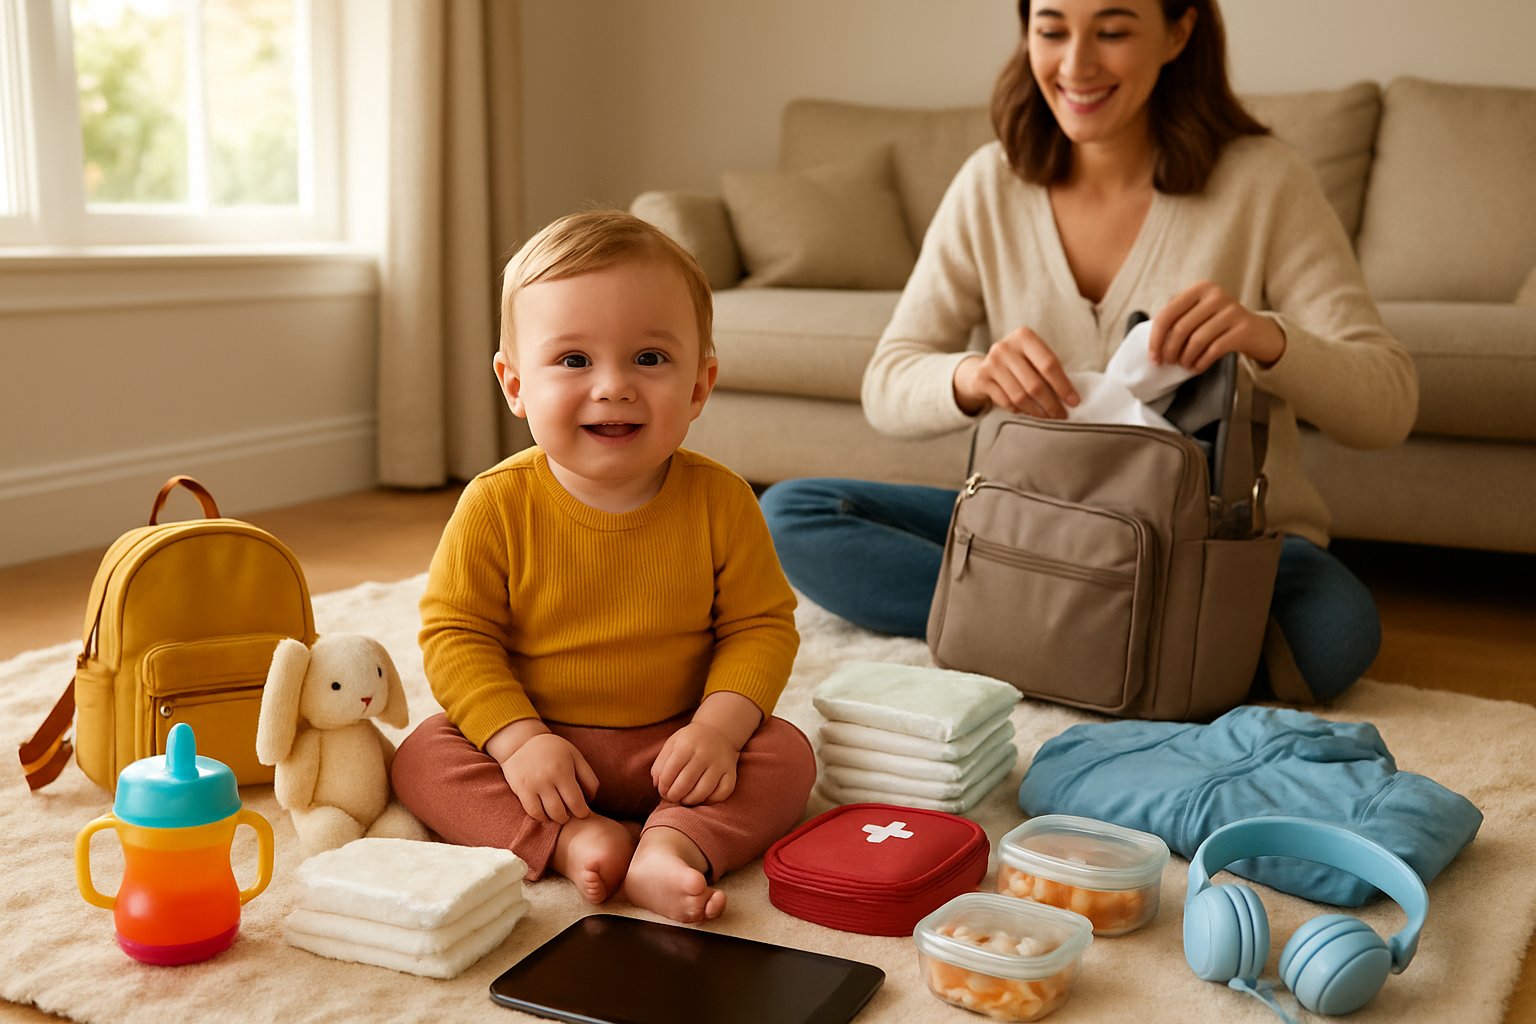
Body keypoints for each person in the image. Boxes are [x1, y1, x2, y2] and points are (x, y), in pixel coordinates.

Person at [761, 0, 1417, 703]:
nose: (1075, 65)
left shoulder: (1265, 182)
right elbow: (887, 380)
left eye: (1111, 31)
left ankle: (1024, 623)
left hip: (1208, 549)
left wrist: (1271, 337)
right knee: (793, 513)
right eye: (1051, 30)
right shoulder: (990, 183)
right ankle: (1136, 640)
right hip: (1034, 526)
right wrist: (972, 376)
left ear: (1179, 31)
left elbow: (1388, 404)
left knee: (1336, 630)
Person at [391, 210, 815, 924]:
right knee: (422, 757)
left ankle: (673, 845)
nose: (613, 385)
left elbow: (760, 628)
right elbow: (457, 637)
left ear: (700, 385)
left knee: (787, 755)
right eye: (575, 360)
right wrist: (519, 741)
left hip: (677, 743)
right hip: (542, 746)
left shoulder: (723, 500)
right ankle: (568, 839)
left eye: (649, 359)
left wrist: (718, 728)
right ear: (515, 384)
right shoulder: (495, 504)